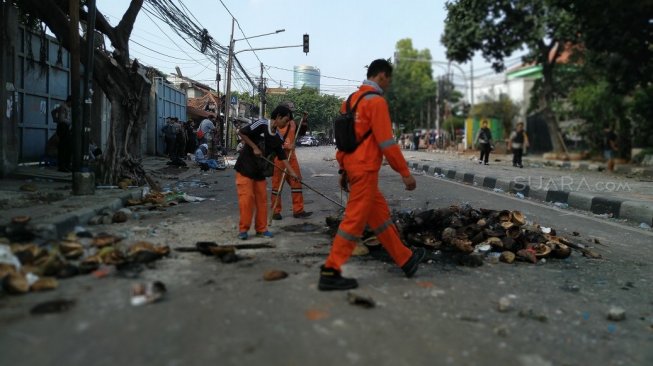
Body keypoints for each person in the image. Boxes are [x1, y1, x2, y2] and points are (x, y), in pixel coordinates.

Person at [318, 59, 425, 291]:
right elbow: (386, 143)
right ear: (382, 76)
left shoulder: (349, 102)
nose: (389, 84)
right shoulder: (376, 102)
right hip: (365, 170)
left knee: (380, 217)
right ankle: (330, 270)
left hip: (354, 168)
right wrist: (405, 173)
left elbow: (343, 143)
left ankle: (405, 259)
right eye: (389, 79)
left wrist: (343, 170)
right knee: (354, 221)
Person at [235, 105, 299, 240]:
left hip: (260, 172)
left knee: (261, 202)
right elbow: (242, 132)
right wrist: (254, 147)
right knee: (246, 200)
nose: (286, 124)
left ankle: (261, 229)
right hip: (245, 168)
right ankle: (243, 230)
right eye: (285, 120)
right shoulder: (262, 124)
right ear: (278, 117)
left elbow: (282, 156)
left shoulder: (278, 137)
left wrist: (293, 173)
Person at [270, 102, 312, 220]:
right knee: (277, 185)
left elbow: (302, 131)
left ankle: (298, 210)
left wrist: (304, 120)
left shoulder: (293, 123)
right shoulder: (273, 125)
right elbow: (271, 144)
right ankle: (275, 211)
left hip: (291, 158)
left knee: (296, 182)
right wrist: (287, 146)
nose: (290, 114)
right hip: (279, 157)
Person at [51, 96, 72, 172]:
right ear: (69, 101)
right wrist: (57, 120)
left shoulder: (66, 107)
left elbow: (53, 112)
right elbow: (62, 119)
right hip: (63, 127)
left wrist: (55, 120)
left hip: (65, 127)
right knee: (63, 147)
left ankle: (66, 165)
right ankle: (62, 166)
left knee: (67, 146)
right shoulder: (63, 107)